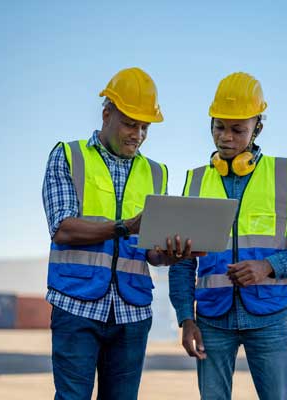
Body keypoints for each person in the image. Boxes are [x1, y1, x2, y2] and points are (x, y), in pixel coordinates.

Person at [169, 72, 287, 400]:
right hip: (211, 319)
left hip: (269, 318)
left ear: (258, 127)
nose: (226, 137)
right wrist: (185, 316)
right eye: (218, 127)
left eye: (237, 129)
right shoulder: (195, 183)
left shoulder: (285, 175)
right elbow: (183, 262)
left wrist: (268, 266)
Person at [42, 67, 196, 400]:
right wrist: (125, 226)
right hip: (76, 304)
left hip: (132, 311)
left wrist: (171, 253)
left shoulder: (156, 173)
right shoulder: (69, 156)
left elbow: (151, 252)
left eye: (145, 127)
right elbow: (62, 228)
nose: (137, 135)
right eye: (130, 123)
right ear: (106, 113)